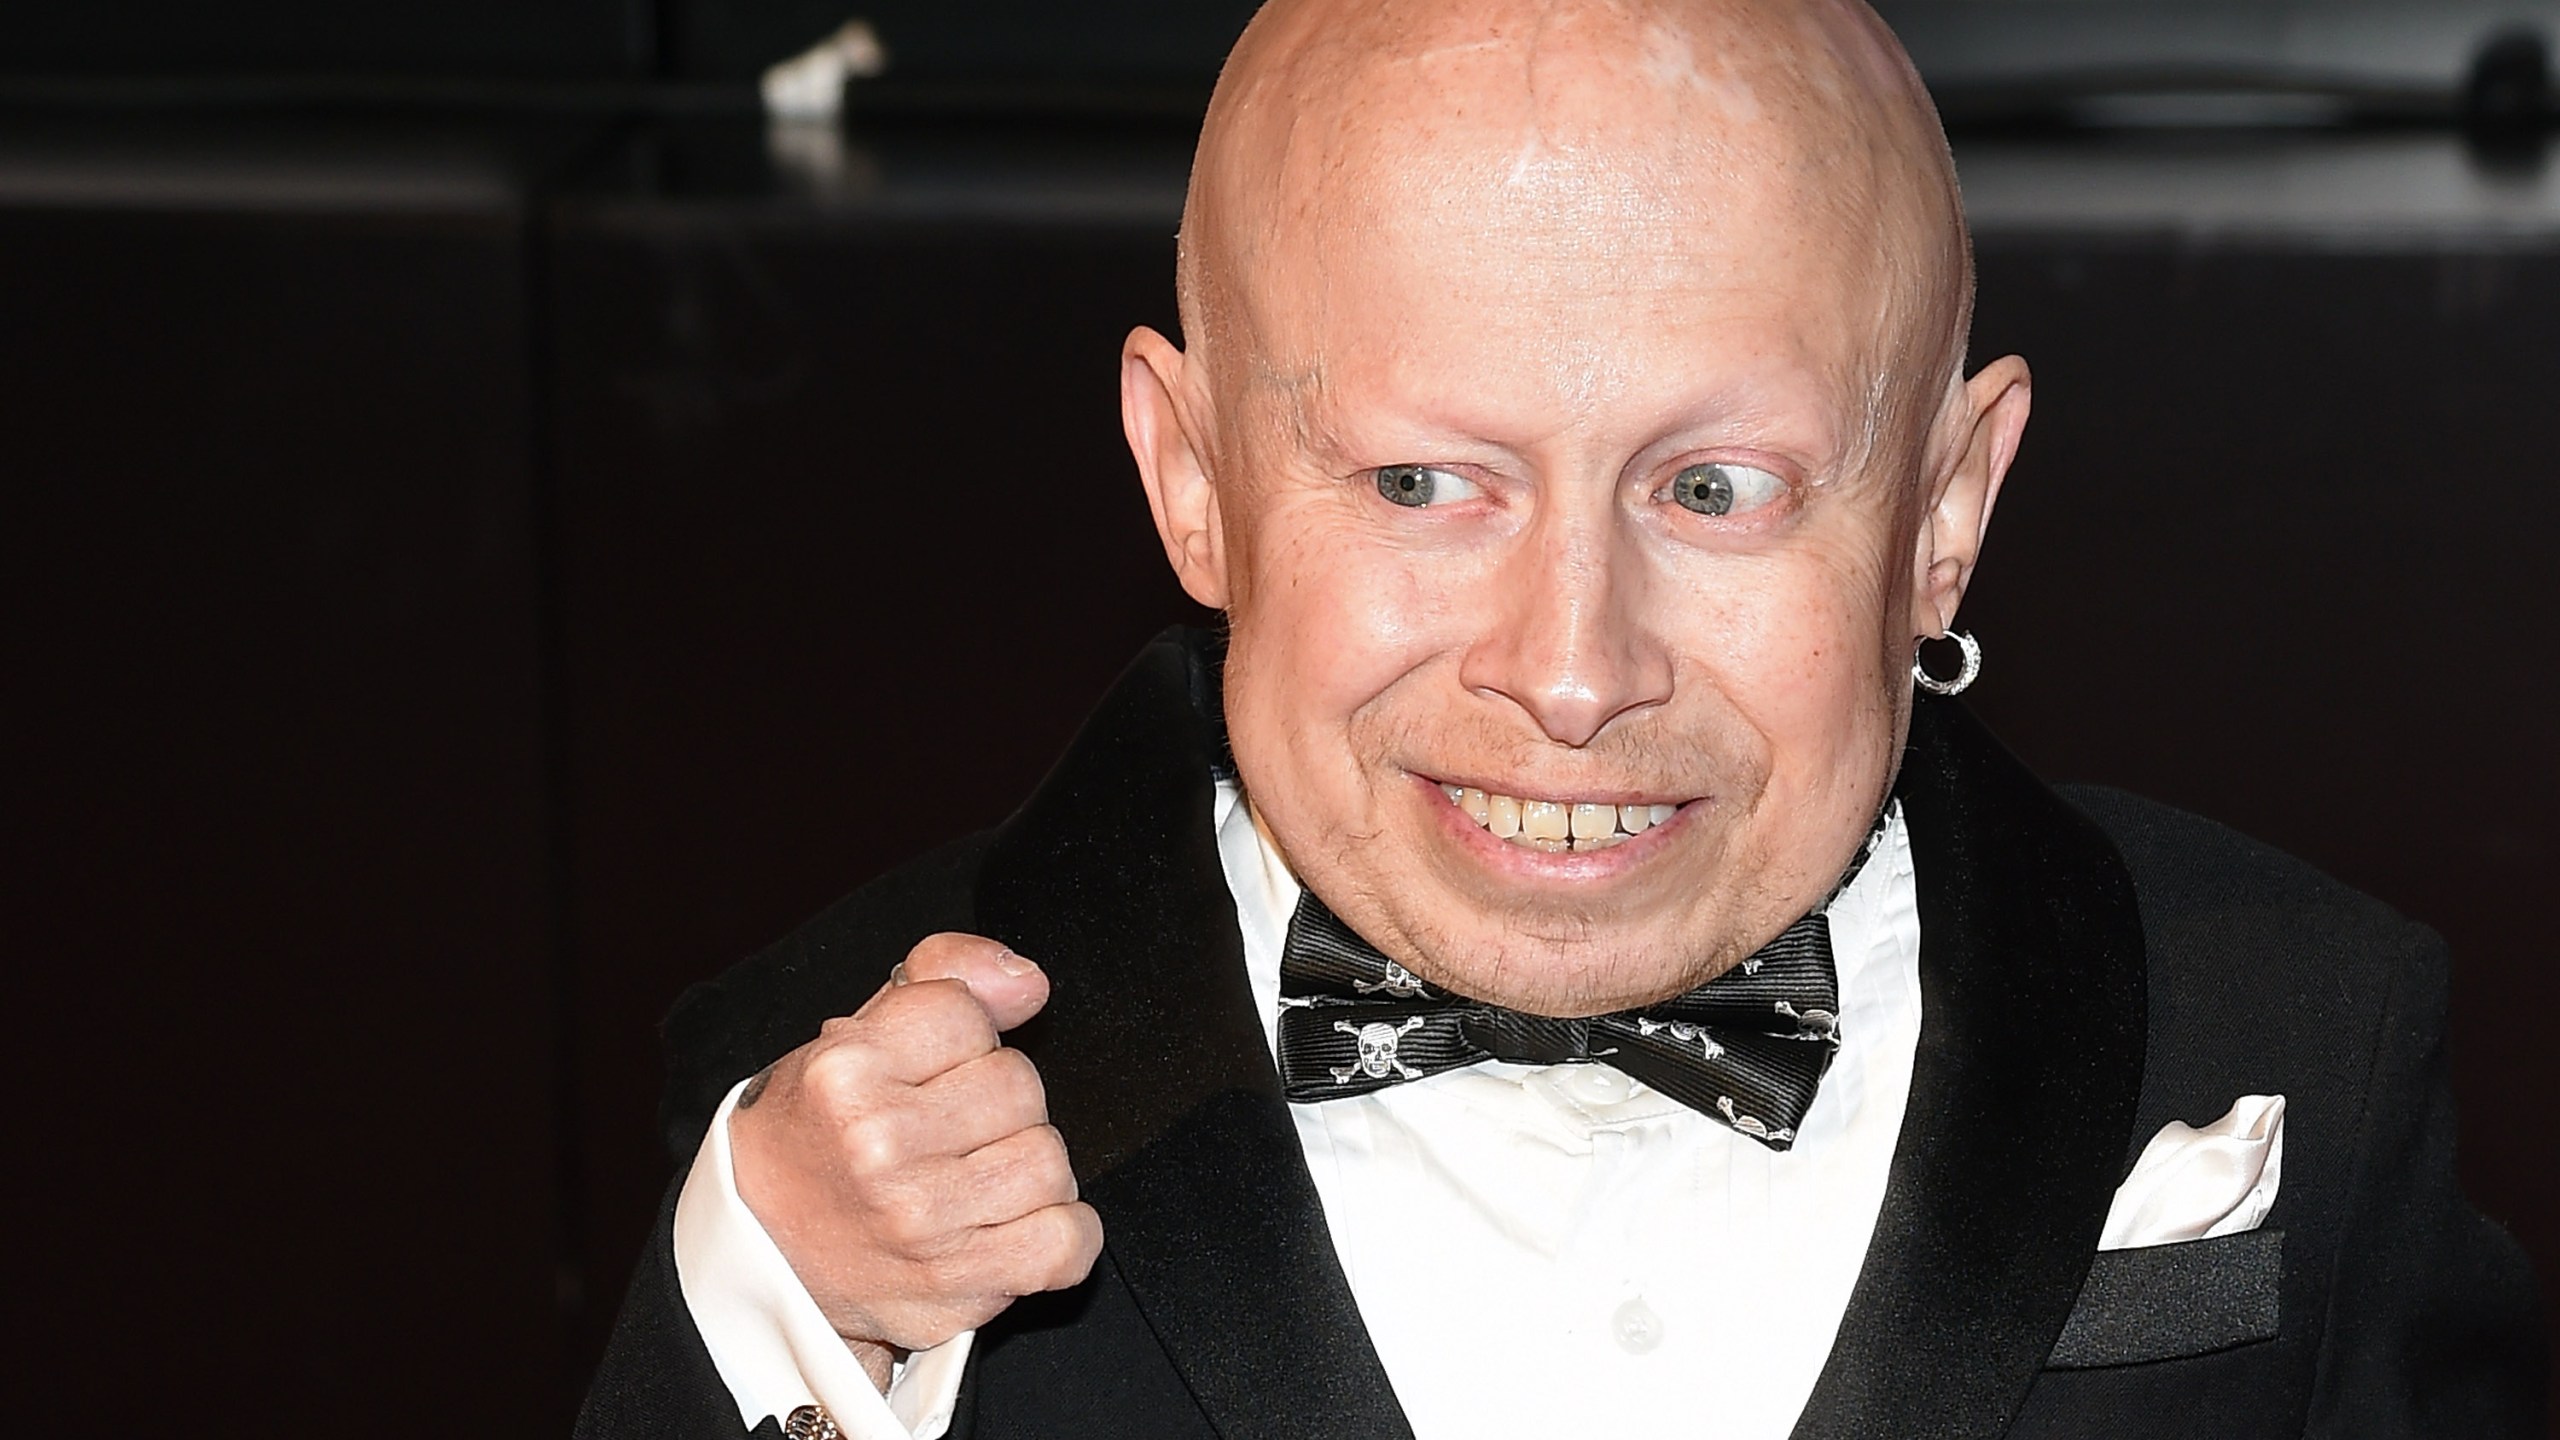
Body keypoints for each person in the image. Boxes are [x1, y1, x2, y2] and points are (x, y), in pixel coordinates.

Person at [577, 0, 2547, 1435]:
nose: (1571, 671)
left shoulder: (2305, 1030)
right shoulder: (816, 1120)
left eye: (1714, 492)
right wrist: (786, 1323)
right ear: (1190, 479)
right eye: (1424, 487)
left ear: (1940, 520)